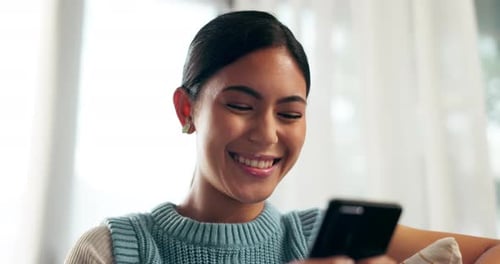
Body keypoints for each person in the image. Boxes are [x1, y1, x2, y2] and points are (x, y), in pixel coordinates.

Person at [66, 10, 500, 264]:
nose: (267, 133)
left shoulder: (319, 237)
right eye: (240, 105)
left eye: (290, 113)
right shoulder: (112, 250)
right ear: (187, 109)